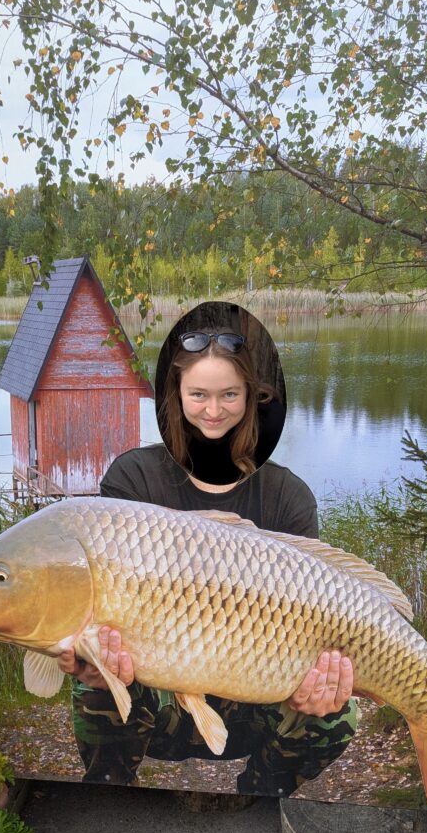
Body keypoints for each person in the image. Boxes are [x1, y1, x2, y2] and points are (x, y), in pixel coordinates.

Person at [58, 305, 357, 797]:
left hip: (258, 692)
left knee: (340, 710)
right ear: (176, 395)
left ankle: (260, 794)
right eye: (198, 394)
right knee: (96, 681)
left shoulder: (288, 497)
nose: (213, 411)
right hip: (159, 694)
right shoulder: (133, 480)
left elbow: (320, 609)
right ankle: (107, 800)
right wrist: (91, 661)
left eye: (229, 395)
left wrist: (318, 684)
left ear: (253, 397)